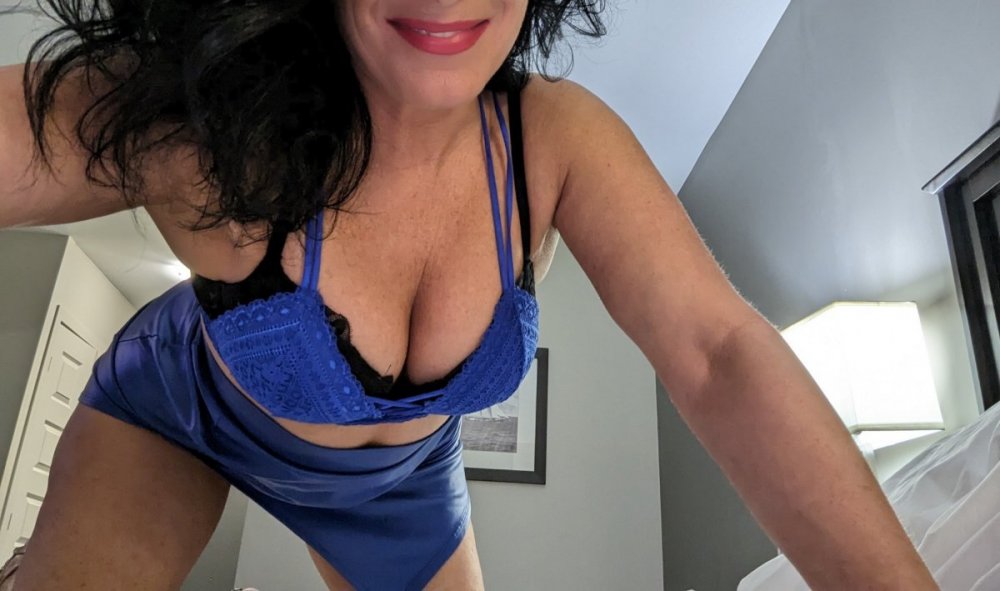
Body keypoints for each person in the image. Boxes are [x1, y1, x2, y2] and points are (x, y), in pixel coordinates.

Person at [0, 1, 939, 590]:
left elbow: (717, 350)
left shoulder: (556, 141)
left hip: (402, 494)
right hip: (181, 416)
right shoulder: (207, 128)